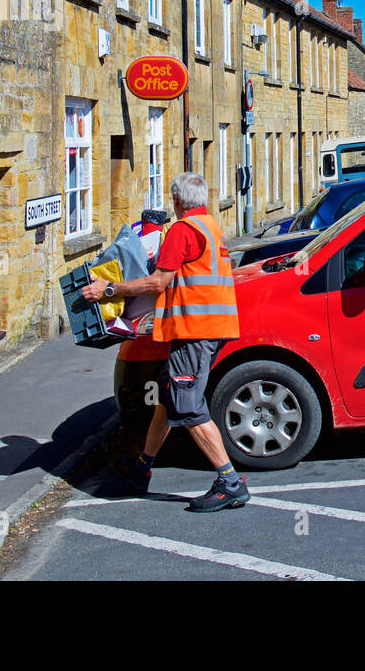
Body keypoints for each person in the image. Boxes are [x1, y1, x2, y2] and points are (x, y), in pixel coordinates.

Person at [81, 172, 249, 513]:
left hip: (193, 331)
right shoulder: (211, 227)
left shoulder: (182, 231)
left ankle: (230, 481)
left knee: (187, 405)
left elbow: (158, 282)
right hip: (210, 328)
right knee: (166, 396)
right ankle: (141, 466)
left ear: (176, 201)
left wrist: (108, 289)